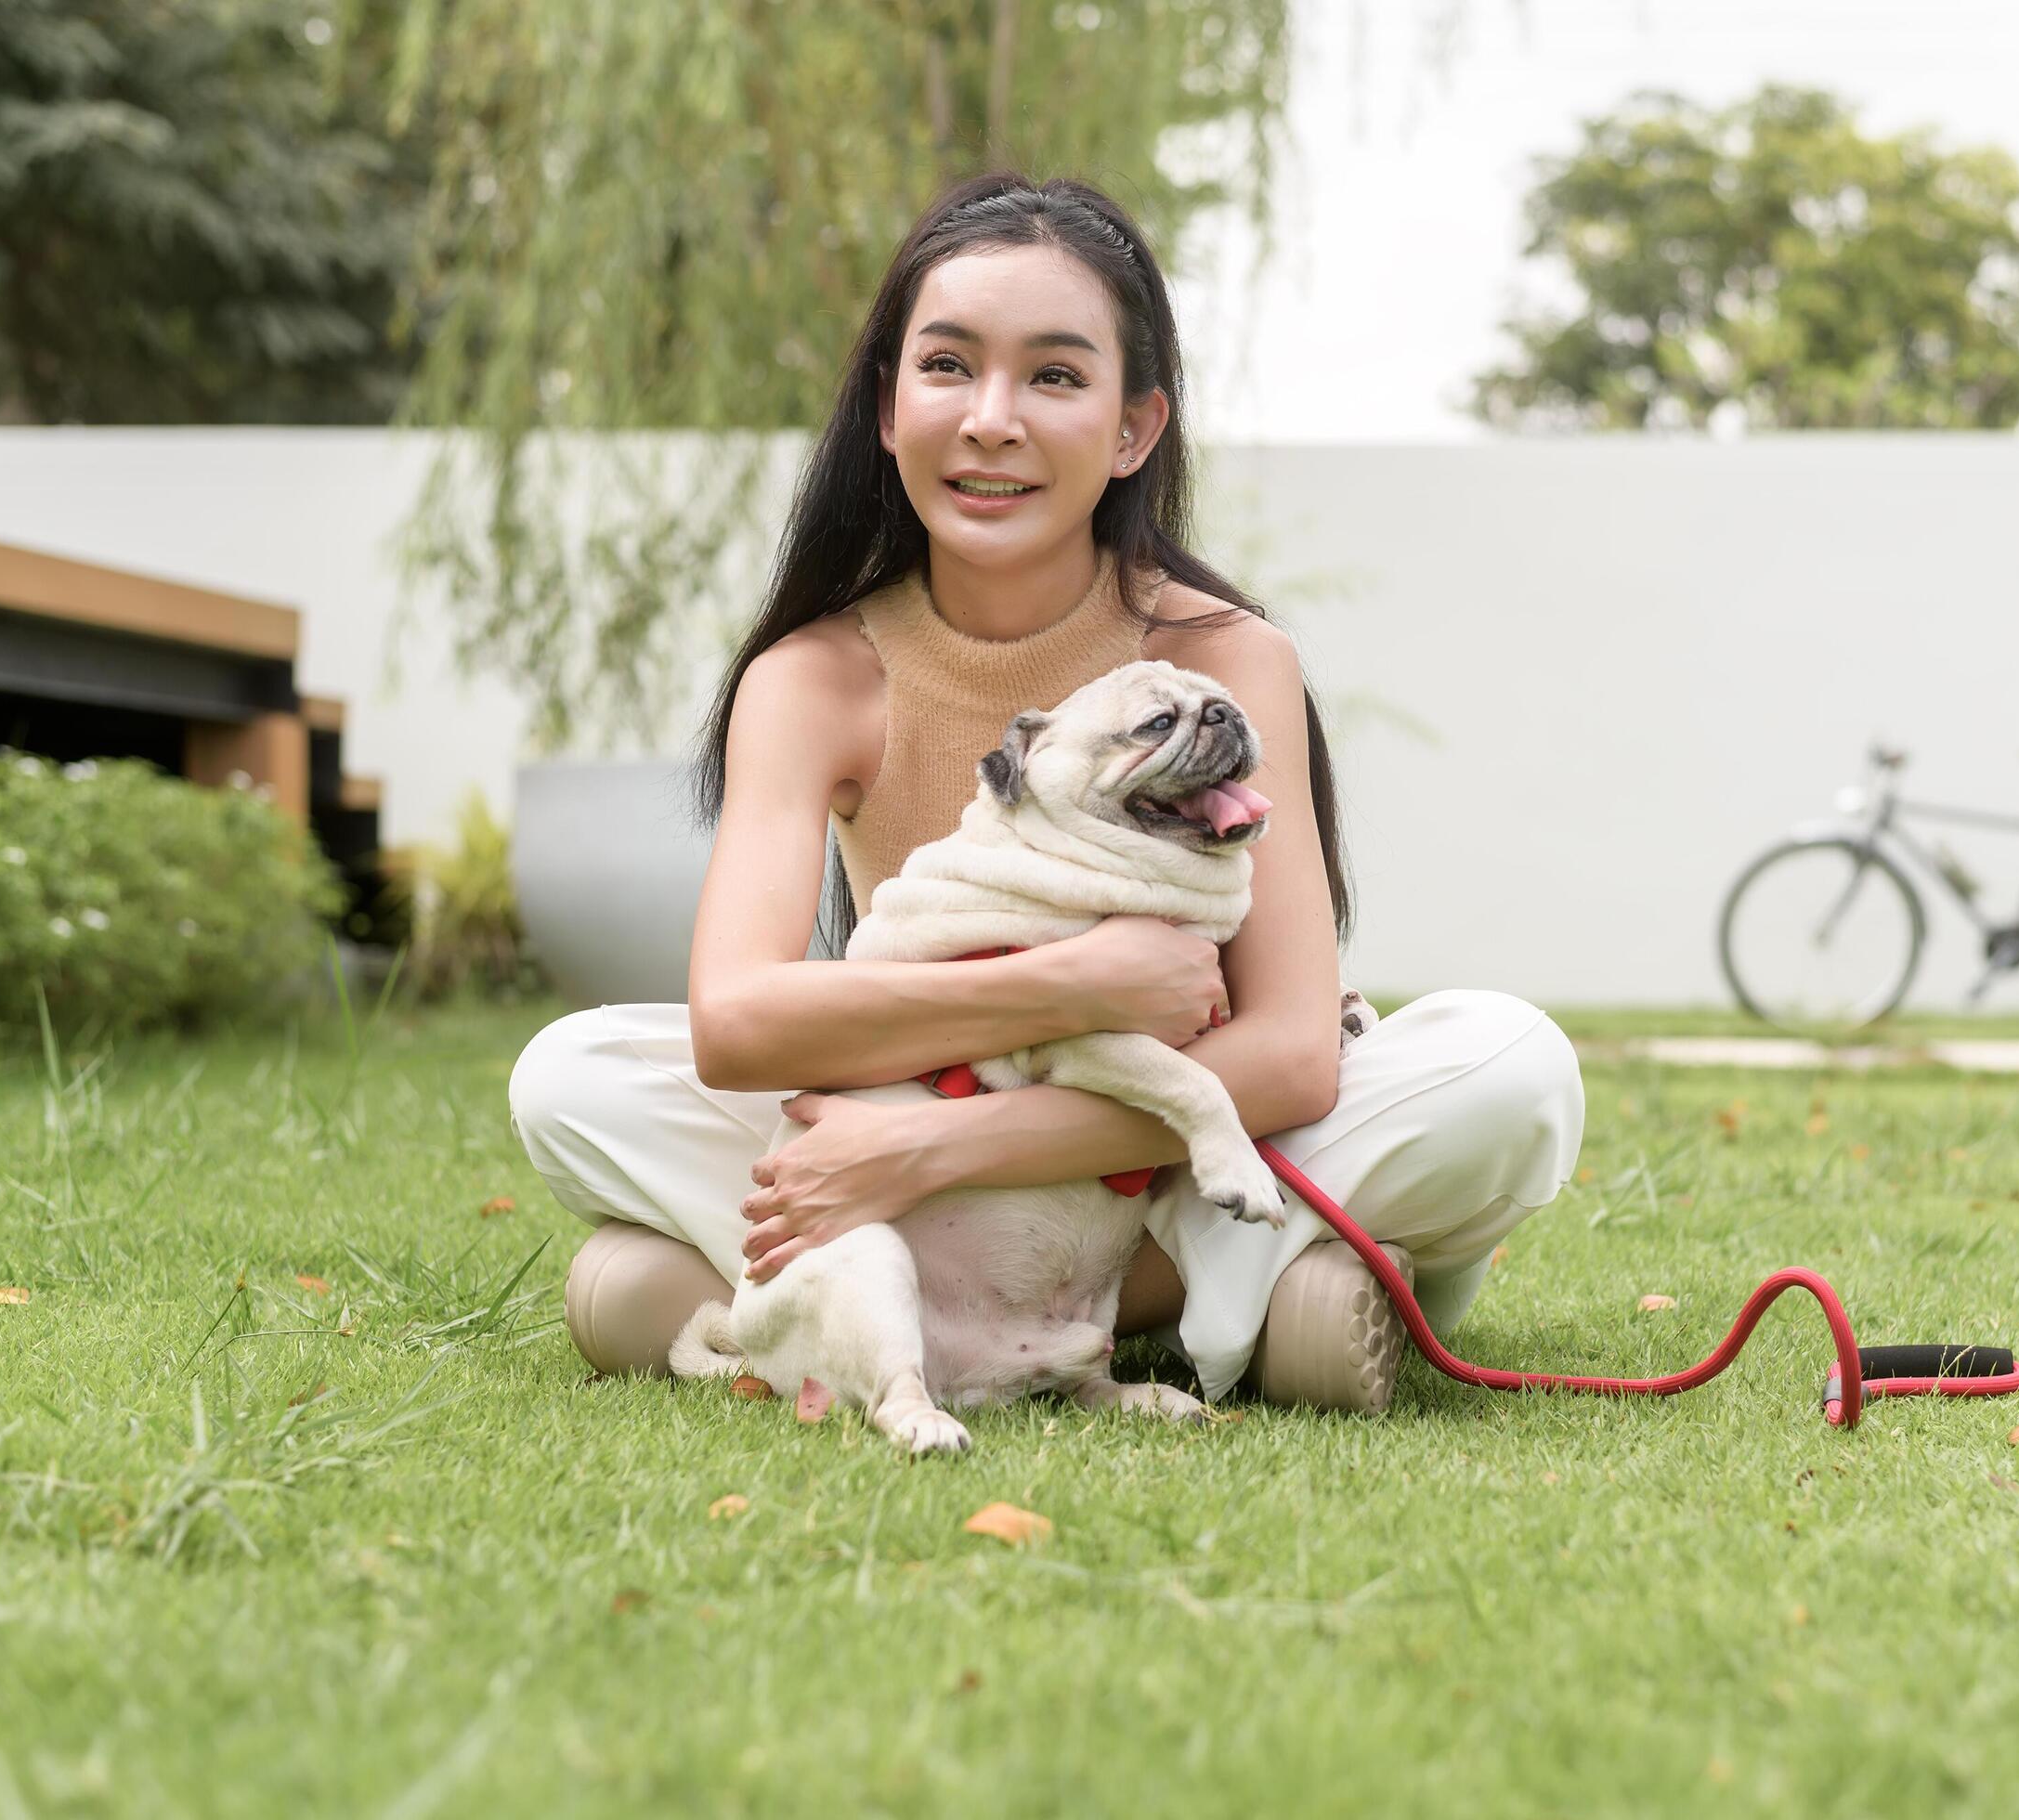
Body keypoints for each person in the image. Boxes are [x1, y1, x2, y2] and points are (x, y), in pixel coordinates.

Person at [506, 170, 1583, 1412]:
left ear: (1133, 430)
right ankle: (1256, 1301)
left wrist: (924, 1152)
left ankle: (816, 1296)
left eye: (1056, 377)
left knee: (1510, 1071)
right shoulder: (817, 679)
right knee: (572, 1075)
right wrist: (1071, 986)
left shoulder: (1223, 663)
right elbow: (739, 1022)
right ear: (888, 408)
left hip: (1169, 1149)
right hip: (933, 1128)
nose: (991, 419)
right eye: (949, 367)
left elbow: (1288, 1055)